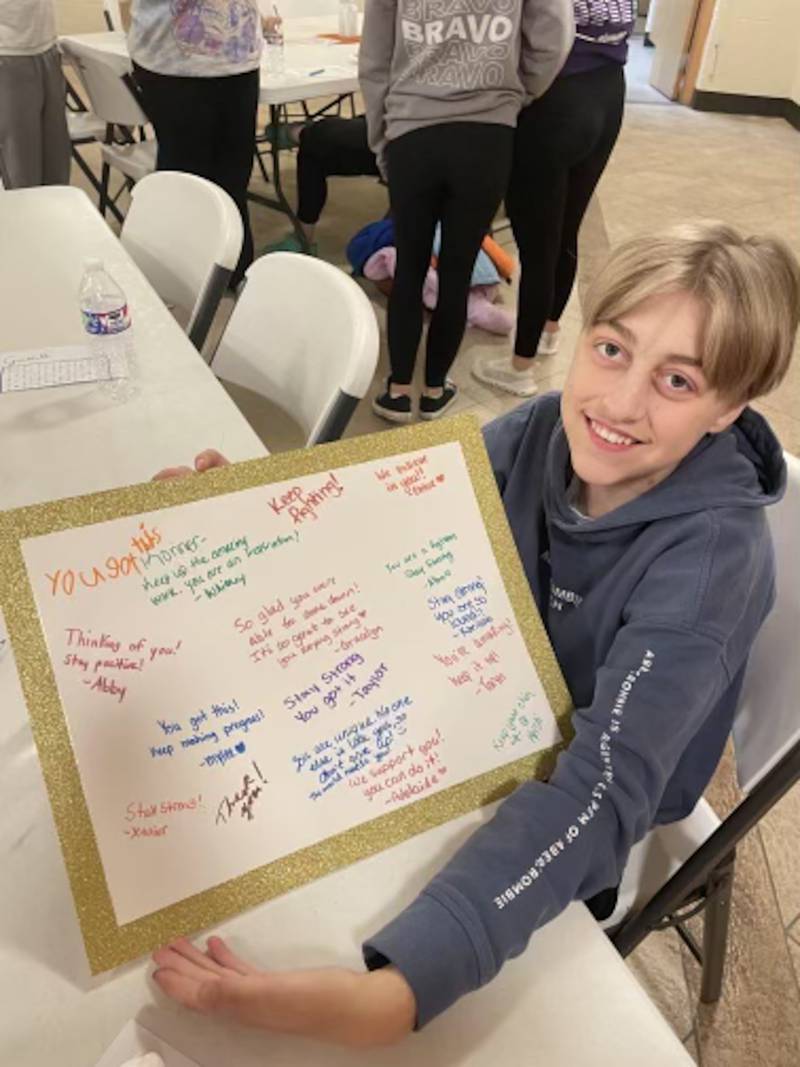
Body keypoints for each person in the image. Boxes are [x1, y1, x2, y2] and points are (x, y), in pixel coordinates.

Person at [150, 222, 800, 1048]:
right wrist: (247, 513)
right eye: (611, 350)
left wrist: (403, 987)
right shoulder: (540, 430)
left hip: (593, 791)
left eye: (677, 379)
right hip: (478, 704)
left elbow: (599, 793)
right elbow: (398, 502)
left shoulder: (710, 562)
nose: (621, 403)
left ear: (728, 408)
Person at [360, 0, 575, 423]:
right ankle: (436, 389)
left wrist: (380, 141)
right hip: (488, 131)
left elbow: (374, 61)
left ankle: (399, 390)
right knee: (457, 271)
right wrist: (516, 92)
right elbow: (553, 35)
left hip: (411, 128)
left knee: (410, 267)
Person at [474, 0, 635, 397]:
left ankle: (519, 368)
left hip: (555, 99)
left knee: (537, 246)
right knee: (565, 230)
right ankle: (547, 330)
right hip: (609, 91)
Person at [128, 0, 263, 285]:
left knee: (234, 177)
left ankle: (233, 270)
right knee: (185, 179)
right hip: (172, 64)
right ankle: (181, 276)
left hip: (238, 57)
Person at [260, 115, 383, 257]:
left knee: (316, 140)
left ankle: (298, 132)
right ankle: (302, 239)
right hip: (398, 132)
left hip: (402, 138)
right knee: (315, 150)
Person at [0, 0, 71, 188]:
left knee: (57, 163)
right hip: (8, 53)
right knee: (21, 167)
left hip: (45, 45)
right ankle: (24, 216)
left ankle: (52, 215)